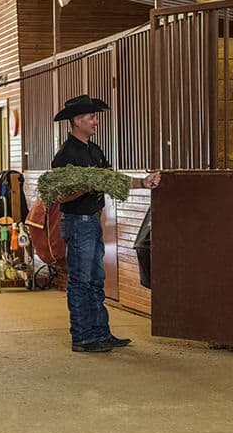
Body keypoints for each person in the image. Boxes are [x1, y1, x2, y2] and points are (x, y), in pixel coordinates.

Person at [51, 94, 161, 353]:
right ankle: (82, 336)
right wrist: (89, 184)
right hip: (78, 222)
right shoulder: (66, 155)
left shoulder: (94, 150)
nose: (96, 121)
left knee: (96, 279)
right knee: (80, 280)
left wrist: (142, 183)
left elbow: (110, 179)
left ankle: (100, 332)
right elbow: (60, 194)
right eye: (92, 117)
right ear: (78, 120)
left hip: (92, 222)